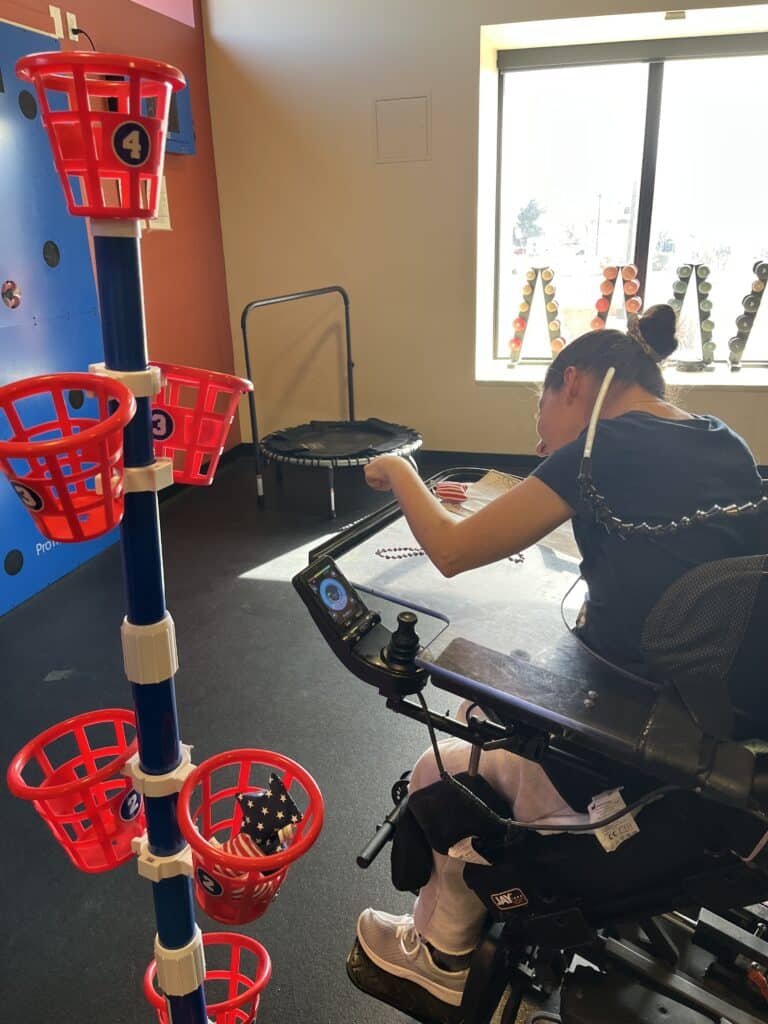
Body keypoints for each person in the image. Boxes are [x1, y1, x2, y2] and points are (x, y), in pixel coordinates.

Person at [355, 305, 766, 1009]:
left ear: (573, 382)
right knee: (481, 704)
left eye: (540, 410)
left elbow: (450, 551)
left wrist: (399, 470)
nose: (539, 437)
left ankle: (441, 954)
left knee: (442, 765)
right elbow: (652, 548)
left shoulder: (601, 449)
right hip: (718, 730)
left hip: (641, 763)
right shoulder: (721, 440)